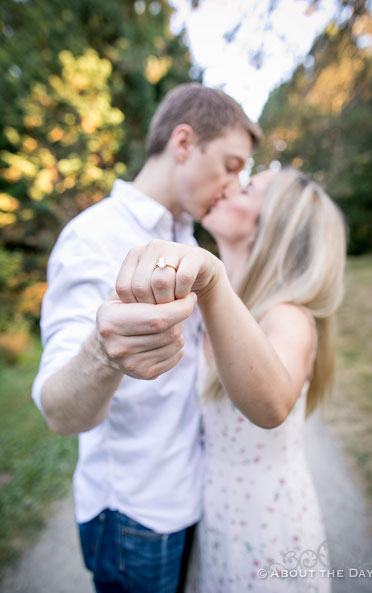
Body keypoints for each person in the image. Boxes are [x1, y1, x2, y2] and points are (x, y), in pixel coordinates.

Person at [32, 82, 261, 593]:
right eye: (230, 164)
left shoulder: (186, 236)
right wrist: (102, 351)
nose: (232, 185)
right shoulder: (93, 237)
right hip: (137, 512)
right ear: (183, 143)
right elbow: (58, 412)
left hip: (188, 494)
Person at [116, 167, 347, 592]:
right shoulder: (218, 310)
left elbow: (271, 406)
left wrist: (215, 278)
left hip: (268, 527)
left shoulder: (287, 315)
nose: (225, 187)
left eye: (244, 188)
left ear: (272, 225)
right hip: (216, 516)